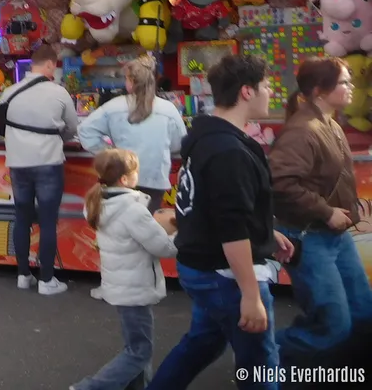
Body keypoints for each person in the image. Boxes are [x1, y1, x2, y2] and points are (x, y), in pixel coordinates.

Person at [147, 54, 295, 390]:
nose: (270, 92)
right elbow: (230, 226)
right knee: (261, 362)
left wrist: (264, 232)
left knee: (202, 343)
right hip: (223, 273)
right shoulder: (227, 149)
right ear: (246, 91)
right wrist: (250, 295)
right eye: (266, 85)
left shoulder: (207, 137)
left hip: (204, 265)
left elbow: (214, 206)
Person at [269, 56, 372, 360]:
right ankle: (265, 353)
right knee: (333, 324)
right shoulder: (303, 130)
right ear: (319, 90)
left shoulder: (329, 123)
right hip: (307, 236)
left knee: (362, 312)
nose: (351, 87)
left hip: (333, 235)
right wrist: (327, 211)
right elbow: (280, 183)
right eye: (343, 82)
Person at [72, 148, 178, 390]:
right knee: (140, 351)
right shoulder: (133, 210)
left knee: (136, 346)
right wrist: (178, 233)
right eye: (135, 171)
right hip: (136, 288)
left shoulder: (99, 203)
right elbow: (164, 248)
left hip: (120, 284)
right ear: (125, 179)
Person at [0, 43, 78, 295]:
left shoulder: (8, 93)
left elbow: (3, 130)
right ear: (50, 65)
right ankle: (46, 280)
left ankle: (23, 275)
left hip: (18, 164)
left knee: (21, 219)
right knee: (46, 221)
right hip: (48, 163)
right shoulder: (59, 93)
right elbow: (71, 129)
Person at [78, 54, 187, 212]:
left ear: (131, 82)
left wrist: (110, 154)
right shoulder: (168, 109)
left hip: (121, 177)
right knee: (147, 226)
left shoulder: (113, 106)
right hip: (155, 178)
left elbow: (85, 130)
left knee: (122, 227)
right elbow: (179, 143)